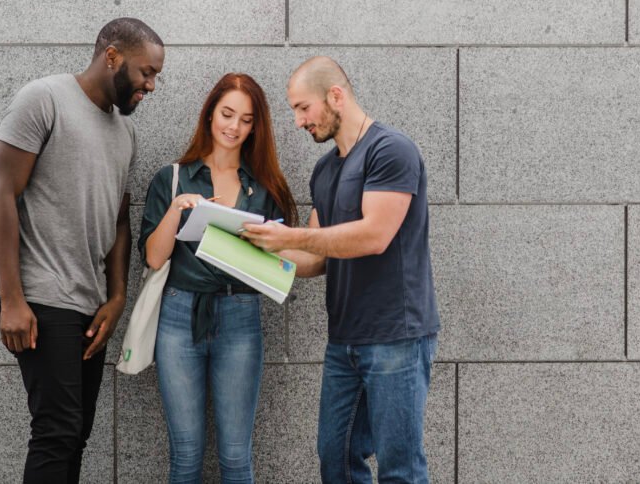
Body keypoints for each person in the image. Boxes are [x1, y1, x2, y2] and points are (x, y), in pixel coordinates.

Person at [242, 56, 440, 484]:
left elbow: (374, 235)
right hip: (345, 340)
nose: (297, 121)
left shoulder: (390, 150)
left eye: (302, 107)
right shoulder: (325, 169)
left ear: (336, 95)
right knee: (336, 458)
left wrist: (289, 237)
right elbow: (316, 258)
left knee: (400, 469)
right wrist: (247, 248)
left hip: (396, 337)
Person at [0, 17, 164, 483]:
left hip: (89, 304)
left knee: (75, 434)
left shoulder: (125, 133)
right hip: (42, 298)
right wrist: (12, 299)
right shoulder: (44, 99)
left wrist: (118, 296)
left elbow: (119, 219)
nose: (151, 84)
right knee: (56, 432)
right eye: (147, 72)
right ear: (112, 57)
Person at [140, 73, 298, 484]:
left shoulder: (266, 186)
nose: (234, 127)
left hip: (240, 313)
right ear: (210, 113)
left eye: (246, 120)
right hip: (179, 314)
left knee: (235, 456)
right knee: (186, 455)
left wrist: (264, 244)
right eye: (227, 114)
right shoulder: (172, 177)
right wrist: (178, 208)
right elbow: (155, 258)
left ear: (255, 127)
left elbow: (288, 259)